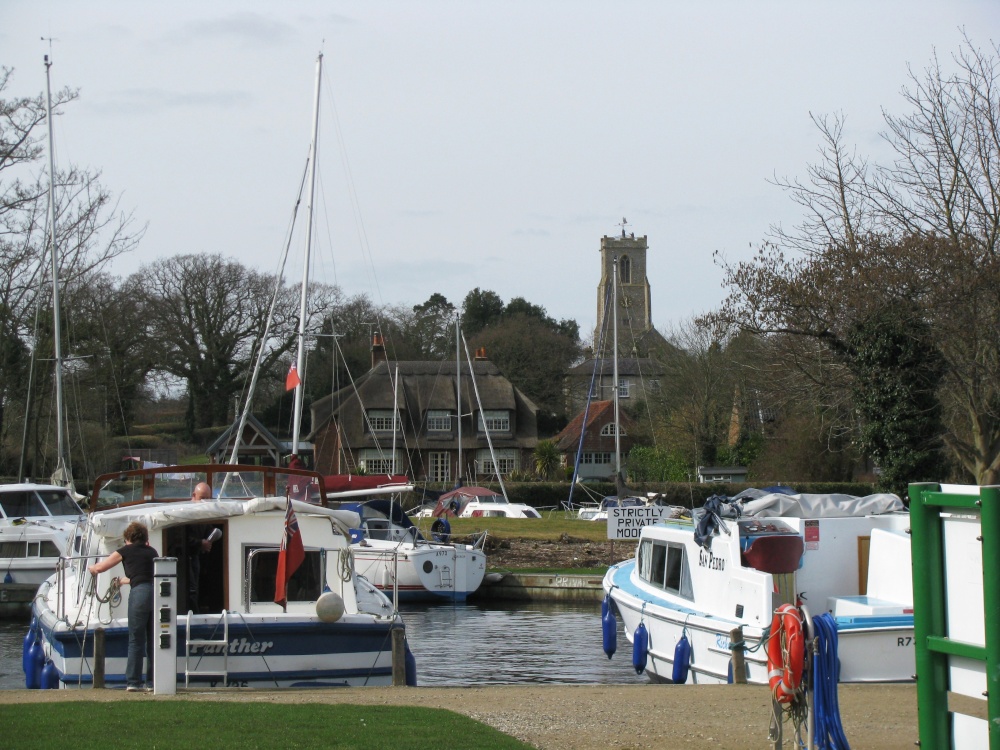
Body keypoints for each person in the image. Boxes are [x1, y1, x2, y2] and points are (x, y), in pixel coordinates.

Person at [88, 521, 157, 692]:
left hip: (139, 594)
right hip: (155, 593)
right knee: (152, 640)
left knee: (136, 639)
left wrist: (92, 568)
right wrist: (122, 581)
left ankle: (133, 681)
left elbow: (101, 567)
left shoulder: (125, 550)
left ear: (128, 538)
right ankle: (152, 682)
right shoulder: (152, 552)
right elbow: (142, 575)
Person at [185, 482, 216, 614]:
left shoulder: (207, 514)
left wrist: (210, 539)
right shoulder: (184, 513)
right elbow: (181, 537)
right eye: (202, 497)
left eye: (208, 498)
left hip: (198, 557)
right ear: (193, 495)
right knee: (191, 589)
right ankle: (193, 614)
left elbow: (208, 530)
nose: (205, 501)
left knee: (199, 587)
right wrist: (200, 543)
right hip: (187, 558)